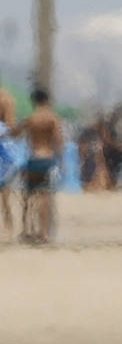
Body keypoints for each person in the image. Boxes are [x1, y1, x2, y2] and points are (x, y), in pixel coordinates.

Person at [18, 88, 63, 243]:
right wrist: (62, 161)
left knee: (28, 197)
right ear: (47, 100)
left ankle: (26, 230)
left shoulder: (31, 118)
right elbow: (58, 141)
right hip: (47, 159)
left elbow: (16, 132)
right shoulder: (53, 118)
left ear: (34, 101)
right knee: (44, 196)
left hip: (32, 159)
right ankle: (43, 233)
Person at [0, 86, 16, 236]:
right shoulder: (7, 98)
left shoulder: (5, 99)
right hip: (5, 146)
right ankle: (8, 223)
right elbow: (10, 126)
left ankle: (8, 224)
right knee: (4, 189)